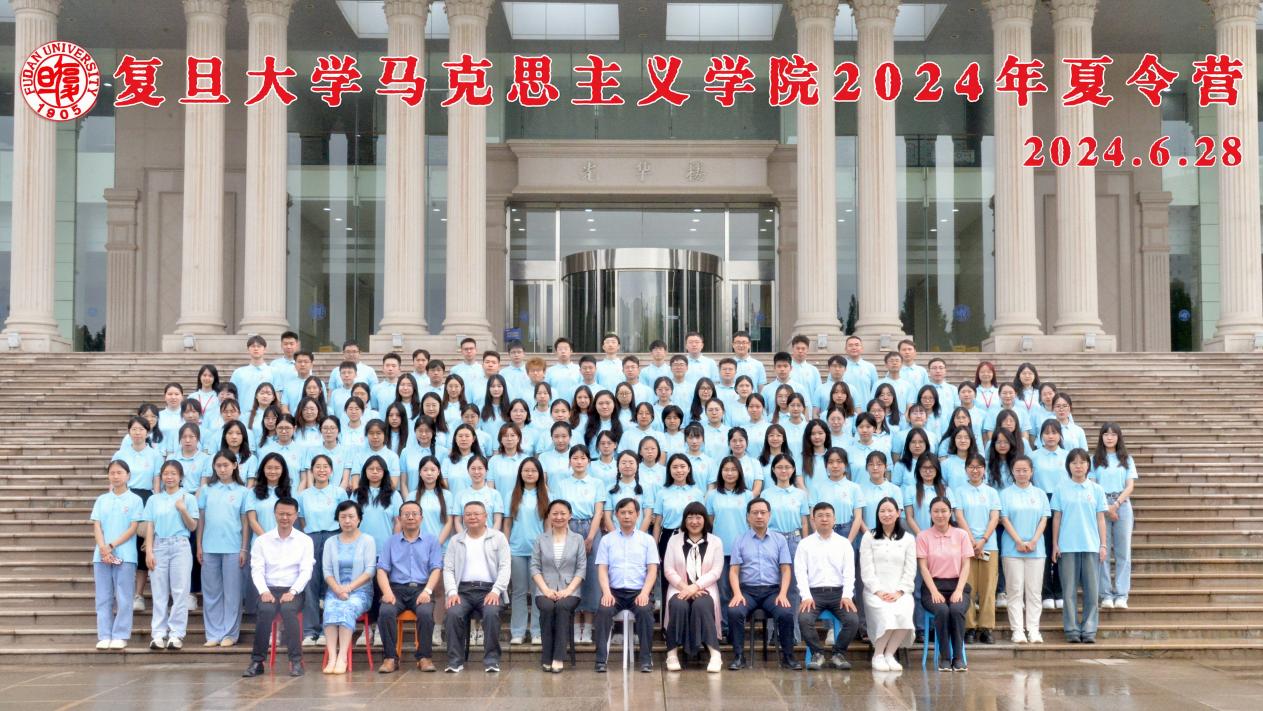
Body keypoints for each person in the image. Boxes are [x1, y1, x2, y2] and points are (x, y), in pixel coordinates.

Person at [243, 497, 314, 678]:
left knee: (289, 610)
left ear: (296, 516)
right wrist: (263, 591)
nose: (284, 518)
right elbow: (257, 569)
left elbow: (306, 571)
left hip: (293, 589)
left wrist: (293, 591)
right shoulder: (262, 541)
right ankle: (257, 661)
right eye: (281, 513)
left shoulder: (305, 540)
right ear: (274, 514)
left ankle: (296, 661)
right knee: (265, 611)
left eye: (289, 514)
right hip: (268, 589)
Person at [726, 497, 800, 670]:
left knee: (786, 612)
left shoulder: (779, 540)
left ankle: (788, 657)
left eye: (762, 512)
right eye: (755, 513)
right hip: (747, 592)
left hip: (772, 592)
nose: (759, 516)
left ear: (769, 515)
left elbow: (786, 570)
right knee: (734, 611)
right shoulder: (740, 540)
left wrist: (783, 594)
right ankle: (739, 657)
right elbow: (734, 571)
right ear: (748, 517)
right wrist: (737, 594)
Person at [375, 500, 445, 673]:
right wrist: (387, 592)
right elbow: (381, 570)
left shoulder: (432, 541)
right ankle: (390, 658)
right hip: (396, 589)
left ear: (421, 518)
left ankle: (424, 657)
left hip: (421, 589)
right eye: (406, 514)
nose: (411, 517)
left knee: (425, 613)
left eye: (414, 514)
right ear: (399, 519)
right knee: (385, 611)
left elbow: (436, 569)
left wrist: (427, 591)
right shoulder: (390, 542)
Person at [443, 501, 512, 673]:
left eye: (476, 514)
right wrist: (451, 592)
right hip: (462, 591)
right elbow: (448, 569)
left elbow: (505, 567)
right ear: (463, 517)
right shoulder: (456, 540)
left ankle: (492, 660)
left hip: (489, 590)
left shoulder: (498, 537)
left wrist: (496, 591)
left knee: (491, 612)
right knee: (453, 613)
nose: (472, 517)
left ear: (485, 516)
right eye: (468, 514)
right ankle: (455, 661)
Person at [593, 497, 659, 673]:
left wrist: (645, 593)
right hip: (614, 592)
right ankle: (600, 660)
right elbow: (602, 569)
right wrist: (606, 592)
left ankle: (646, 660)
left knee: (645, 612)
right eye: (623, 512)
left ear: (637, 514)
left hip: (639, 591)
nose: (627, 516)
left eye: (630, 512)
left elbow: (652, 570)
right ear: (616, 515)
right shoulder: (607, 540)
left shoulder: (647, 540)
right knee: (603, 611)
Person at [795, 502, 861, 671]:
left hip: (839, 593)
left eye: (828, 515)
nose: (824, 519)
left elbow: (849, 573)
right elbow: (800, 572)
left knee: (853, 620)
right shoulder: (805, 544)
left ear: (834, 519)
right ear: (813, 520)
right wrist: (806, 596)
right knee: (804, 619)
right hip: (814, 594)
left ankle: (838, 653)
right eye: (820, 516)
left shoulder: (844, 543)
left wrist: (847, 595)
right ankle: (818, 653)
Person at [1052, 448, 1108, 644]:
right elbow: (1057, 517)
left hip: (1091, 545)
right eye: (1074, 462)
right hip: (1067, 546)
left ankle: (1090, 629)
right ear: (1068, 466)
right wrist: (1055, 544)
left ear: (1088, 466)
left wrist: (1103, 545)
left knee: (1092, 591)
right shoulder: (1061, 489)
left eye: (1082, 462)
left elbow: (1101, 519)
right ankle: (1072, 630)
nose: (1078, 466)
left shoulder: (1096, 489)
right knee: (1068, 592)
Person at [143, 461, 199, 650]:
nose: (169, 477)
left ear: (180, 476)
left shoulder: (188, 498)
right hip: (159, 545)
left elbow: (193, 526)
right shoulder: (154, 499)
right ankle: (158, 634)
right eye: (166, 473)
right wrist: (149, 551)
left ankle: (176, 634)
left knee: (180, 591)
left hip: (180, 545)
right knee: (159, 592)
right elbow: (150, 526)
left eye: (173, 473)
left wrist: (182, 509)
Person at [663, 502, 725, 673]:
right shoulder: (674, 540)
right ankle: (672, 654)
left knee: (702, 605)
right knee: (678, 605)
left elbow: (716, 571)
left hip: (705, 589)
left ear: (705, 519)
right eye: (690, 517)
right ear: (684, 520)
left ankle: (715, 654)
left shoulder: (715, 542)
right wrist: (686, 588)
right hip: (679, 588)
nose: (694, 521)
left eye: (698, 517)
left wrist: (696, 587)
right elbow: (668, 569)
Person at [198, 451, 250, 647]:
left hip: (234, 548)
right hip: (209, 547)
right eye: (218, 465)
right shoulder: (206, 490)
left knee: (232, 593)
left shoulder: (243, 492)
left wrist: (244, 549)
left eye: (226, 465)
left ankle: (229, 634)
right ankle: (213, 634)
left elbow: (245, 522)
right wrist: (199, 545)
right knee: (211, 593)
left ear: (235, 465)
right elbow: (201, 520)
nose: (222, 469)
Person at [915, 496, 973, 672]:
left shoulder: (961, 535)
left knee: (956, 610)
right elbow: (923, 567)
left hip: (957, 585)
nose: (940, 515)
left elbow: (966, 565)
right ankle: (945, 658)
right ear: (930, 513)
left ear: (950, 512)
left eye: (943, 511)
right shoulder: (923, 536)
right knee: (942, 610)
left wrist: (959, 590)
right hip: (932, 587)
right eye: (936, 511)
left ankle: (958, 658)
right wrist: (934, 591)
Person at [859, 497, 916, 672]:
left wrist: (900, 592)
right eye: (882, 511)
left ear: (898, 513)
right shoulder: (869, 537)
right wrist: (878, 591)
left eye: (890, 510)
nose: (886, 514)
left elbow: (910, 569)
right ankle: (878, 655)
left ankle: (890, 654)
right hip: (875, 592)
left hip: (900, 592)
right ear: (877, 514)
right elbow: (866, 569)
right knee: (886, 615)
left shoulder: (908, 539)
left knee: (904, 613)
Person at [297, 454, 349, 646]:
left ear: (331, 470)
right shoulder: (304, 495)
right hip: (311, 538)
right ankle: (310, 631)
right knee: (310, 583)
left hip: (333, 538)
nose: (321, 470)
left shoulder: (339, 493)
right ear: (311, 471)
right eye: (317, 466)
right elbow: (302, 520)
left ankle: (329, 628)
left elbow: (345, 517)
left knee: (331, 582)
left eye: (325, 466)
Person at [92, 460, 144, 650]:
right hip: (101, 556)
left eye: (119, 472)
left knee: (124, 597)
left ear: (128, 475)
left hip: (125, 555)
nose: (115, 476)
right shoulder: (102, 499)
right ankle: (104, 634)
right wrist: (103, 548)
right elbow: (97, 525)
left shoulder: (135, 500)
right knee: (103, 597)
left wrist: (112, 545)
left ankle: (120, 634)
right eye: (112, 473)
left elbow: (133, 527)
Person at [320, 500, 376, 675]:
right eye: (343, 517)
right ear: (338, 519)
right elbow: (327, 571)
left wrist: (349, 588)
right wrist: (338, 589)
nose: (347, 520)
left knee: (347, 608)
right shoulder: (330, 542)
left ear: (359, 519)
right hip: (335, 590)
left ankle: (343, 657)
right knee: (330, 609)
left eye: (351, 516)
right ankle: (332, 657)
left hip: (361, 591)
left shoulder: (367, 540)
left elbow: (370, 571)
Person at [1000, 456, 1051, 644]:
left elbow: (1044, 519)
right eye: (1018, 470)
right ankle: (1017, 630)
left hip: (1036, 550)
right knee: (1014, 590)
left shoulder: (1040, 494)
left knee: (1034, 591)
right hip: (1012, 549)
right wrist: (1019, 541)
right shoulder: (1005, 494)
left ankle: (1034, 629)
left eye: (1025, 470)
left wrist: (1034, 540)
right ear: (1012, 472)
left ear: (1031, 471)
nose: (1021, 474)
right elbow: (1004, 519)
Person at [531, 499, 587, 673]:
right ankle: (546, 656)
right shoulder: (541, 539)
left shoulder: (578, 539)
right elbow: (534, 567)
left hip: (570, 590)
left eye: (563, 513)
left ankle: (558, 657)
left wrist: (568, 590)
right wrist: (545, 590)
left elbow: (581, 568)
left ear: (570, 515)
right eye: (555, 513)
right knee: (547, 607)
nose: (559, 517)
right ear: (549, 516)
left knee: (562, 607)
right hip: (545, 589)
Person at [1090, 423, 1137, 610]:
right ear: (1101, 437)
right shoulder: (1094, 460)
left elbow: (1130, 486)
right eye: (1106, 434)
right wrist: (1106, 507)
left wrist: (1116, 505)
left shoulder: (1126, 459)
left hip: (1122, 505)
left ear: (1119, 437)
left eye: (1113, 434)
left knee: (1123, 552)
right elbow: (1092, 485)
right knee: (1102, 551)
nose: (1109, 438)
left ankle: (1121, 595)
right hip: (1100, 507)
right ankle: (1106, 594)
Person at [503, 457, 548, 645]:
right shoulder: (511, 495)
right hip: (516, 550)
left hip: (539, 551)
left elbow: (548, 526)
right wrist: (505, 547)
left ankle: (537, 631)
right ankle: (518, 632)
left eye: (533, 470)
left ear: (540, 474)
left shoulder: (547, 494)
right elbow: (507, 524)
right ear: (520, 473)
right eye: (526, 470)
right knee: (519, 592)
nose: (529, 473)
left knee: (539, 592)